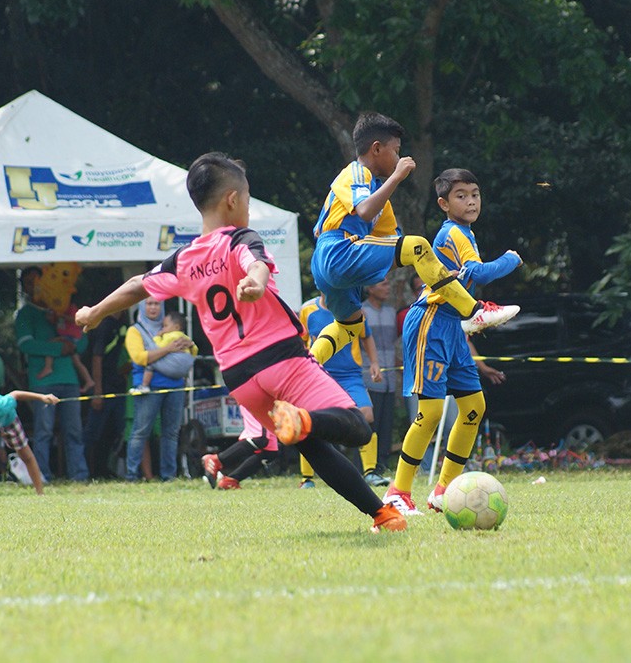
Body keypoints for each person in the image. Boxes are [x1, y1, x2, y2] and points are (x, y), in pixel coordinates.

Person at [76, 152, 406, 532]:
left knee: (310, 442)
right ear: (232, 200)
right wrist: (256, 281)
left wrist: (95, 312)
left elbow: (138, 285)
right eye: (247, 199)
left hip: (239, 378)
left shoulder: (184, 259)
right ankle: (308, 427)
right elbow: (256, 262)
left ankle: (382, 514)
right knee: (358, 424)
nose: (248, 207)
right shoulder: (241, 238)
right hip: (281, 359)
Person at [307, 112, 518, 366]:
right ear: (376, 149)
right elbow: (364, 211)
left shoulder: (380, 200)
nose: (398, 158)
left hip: (328, 261)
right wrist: (397, 176)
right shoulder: (356, 172)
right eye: (395, 151)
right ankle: (473, 311)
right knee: (418, 245)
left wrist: (438, 275)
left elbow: (397, 249)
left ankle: (306, 364)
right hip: (337, 251)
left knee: (349, 326)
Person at [384, 168, 522, 515]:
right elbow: (477, 273)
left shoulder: (465, 232)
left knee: (474, 406)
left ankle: (443, 490)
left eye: (475, 194)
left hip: (456, 327)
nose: (471, 201)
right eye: (461, 195)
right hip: (430, 321)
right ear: (444, 203)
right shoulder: (453, 233)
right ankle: (397, 492)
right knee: (429, 413)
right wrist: (510, 259)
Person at [298, 293, 387, 488]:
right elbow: (301, 339)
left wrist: (374, 363)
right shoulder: (308, 310)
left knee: (366, 415)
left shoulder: (352, 308)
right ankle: (307, 478)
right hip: (319, 373)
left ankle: (371, 472)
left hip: (350, 375)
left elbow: (367, 336)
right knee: (308, 418)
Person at [15, 274, 89, 482]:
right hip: (42, 381)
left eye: (36, 282)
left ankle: (79, 476)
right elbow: (25, 344)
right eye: (29, 284)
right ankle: (42, 476)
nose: (33, 287)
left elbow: (82, 342)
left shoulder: (63, 309)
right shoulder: (26, 314)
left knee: (74, 430)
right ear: (24, 288)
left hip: (70, 379)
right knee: (44, 431)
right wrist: (61, 348)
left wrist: (69, 346)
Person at [122, 300, 192, 481]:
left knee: (170, 432)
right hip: (149, 388)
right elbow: (139, 357)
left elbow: (187, 351)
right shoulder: (135, 330)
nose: (153, 308)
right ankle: (132, 475)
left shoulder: (170, 328)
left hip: (175, 385)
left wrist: (186, 346)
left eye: (157, 304)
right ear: (142, 307)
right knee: (141, 431)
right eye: (149, 304)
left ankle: (169, 475)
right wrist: (168, 349)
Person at [83, 309, 129, 479]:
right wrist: (98, 391)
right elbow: (97, 357)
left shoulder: (123, 324)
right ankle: (85, 474)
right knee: (93, 434)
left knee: (117, 432)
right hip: (103, 388)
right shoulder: (104, 324)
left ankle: (108, 471)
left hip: (119, 388)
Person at [360, 276, 399, 474]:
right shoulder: (361, 312)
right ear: (370, 288)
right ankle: (366, 467)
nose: (388, 287)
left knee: (386, 425)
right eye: (384, 284)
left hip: (390, 380)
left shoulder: (392, 312)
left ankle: (381, 466)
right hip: (369, 378)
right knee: (370, 424)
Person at [201, 407, 279, 489]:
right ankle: (217, 460)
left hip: (267, 401)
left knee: (270, 452)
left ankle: (231, 480)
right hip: (256, 397)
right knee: (259, 439)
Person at [35, 303, 96, 393]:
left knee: (51, 343)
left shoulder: (71, 308)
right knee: (77, 362)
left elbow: (76, 320)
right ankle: (89, 380)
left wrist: (62, 316)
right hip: (67, 337)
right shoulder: (58, 309)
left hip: (71, 337)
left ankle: (48, 367)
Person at [134, 311, 197, 394]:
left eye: (165, 326)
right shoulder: (184, 337)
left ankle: (144, 385)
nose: (163, 328)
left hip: (174, 363)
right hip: (184, 366)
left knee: (150, 364)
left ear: (176, 327)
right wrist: (192, 346)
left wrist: (157, 337)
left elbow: (159, 346)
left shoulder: (170, 336)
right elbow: (195, 351)